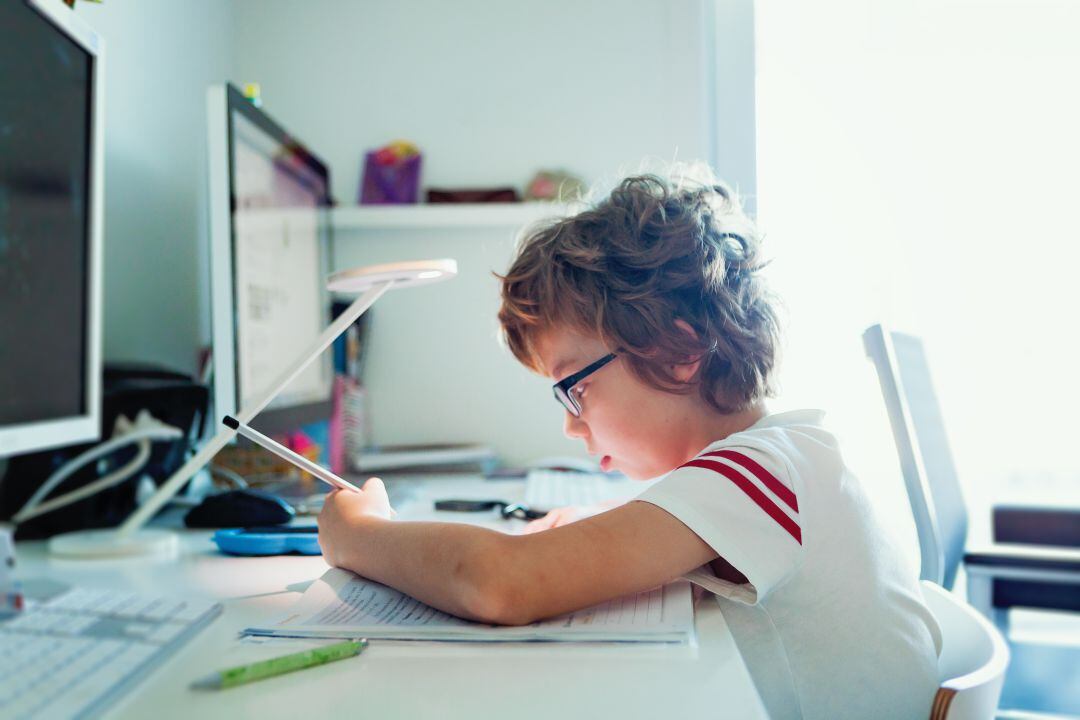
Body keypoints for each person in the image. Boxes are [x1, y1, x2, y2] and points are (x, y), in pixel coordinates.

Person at [317, 168, 941, 719]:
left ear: (678, 355)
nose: (569, 424)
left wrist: (358, 533)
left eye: (574, 388)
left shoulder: (759, 472)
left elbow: (501, 583)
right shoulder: (786, 452)